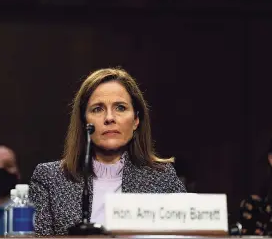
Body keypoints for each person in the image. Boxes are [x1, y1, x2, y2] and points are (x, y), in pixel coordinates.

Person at [29, 67, 186, 235]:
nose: (109, 118)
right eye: (97, 109)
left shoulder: (162, 178)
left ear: (136, 120)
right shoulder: (49, 178)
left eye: (120, 108)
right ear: (84, 122)